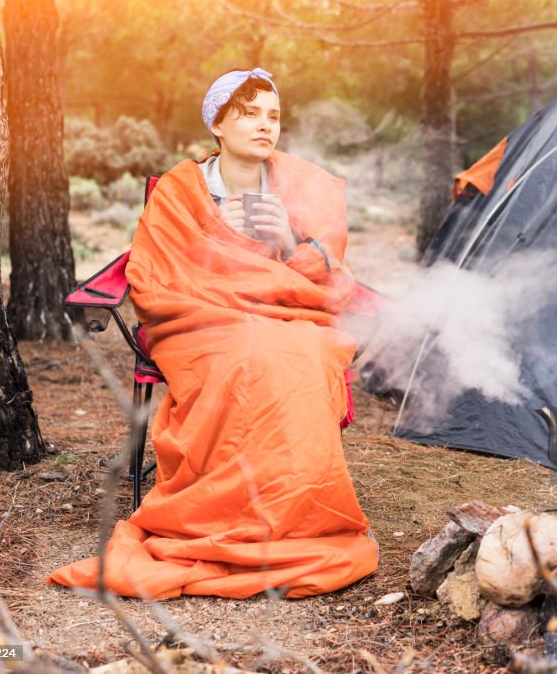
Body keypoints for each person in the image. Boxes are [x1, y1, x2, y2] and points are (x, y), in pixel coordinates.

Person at [48, 68, 379, 599]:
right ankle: (227, 513)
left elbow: (329, 268)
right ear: (219, 124)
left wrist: (289, 238)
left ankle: (293, 514)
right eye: (249, 113)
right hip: (197, 318)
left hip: (285, 313)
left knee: (304, 354)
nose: (264, 125)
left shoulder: (300, 183)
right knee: (248, 352)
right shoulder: (183, 188)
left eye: (273, 115)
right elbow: (155, 273)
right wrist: (224, 296)